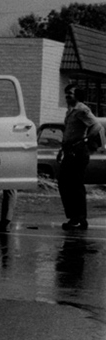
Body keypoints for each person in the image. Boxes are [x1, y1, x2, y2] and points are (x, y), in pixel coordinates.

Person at [57, 83, 105, 231]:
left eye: (70, 93)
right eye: (66, 94)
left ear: (77, 95)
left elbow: (96, 126)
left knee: (75, 185)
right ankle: (73, 217)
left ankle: (79, 218)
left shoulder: (82, 109)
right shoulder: (70, 112)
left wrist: (85, 140)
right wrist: (62, 149)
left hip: (78, 152)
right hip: (69, 150)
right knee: (65, 182)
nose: (67, 96)